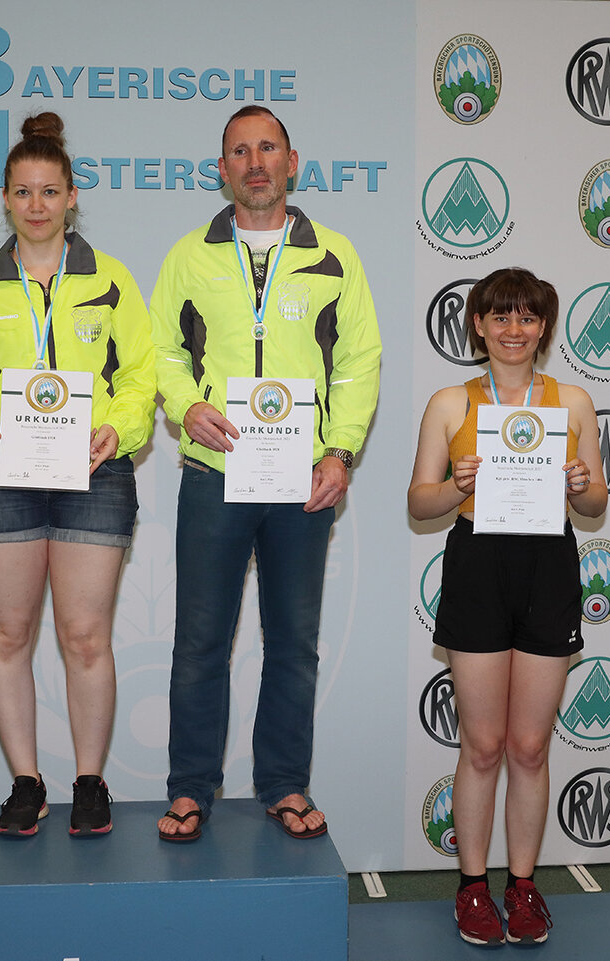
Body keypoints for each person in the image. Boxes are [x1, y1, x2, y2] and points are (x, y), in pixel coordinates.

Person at [150, 106, 382, 842]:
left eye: (268, 149)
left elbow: (358, 362)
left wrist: (340, 451)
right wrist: (186, 406)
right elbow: (162, 351)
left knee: (293, 642)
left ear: (292, 162)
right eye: (240, 152)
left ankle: (283, 783)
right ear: (222, 169)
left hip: (302, 479)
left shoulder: (335, 256)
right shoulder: (189, 255)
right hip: (214, 472)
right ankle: (191, 788)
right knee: (199, 642)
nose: (255, 163)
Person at [0, 112, 155, 838]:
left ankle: (90, 781)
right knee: (8, 635)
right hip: (3, 472)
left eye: (50, 191)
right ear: (5, 198)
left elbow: (140, 379)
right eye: (23, 192)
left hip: (95, 471)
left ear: (71, 196)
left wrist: (118, 430)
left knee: (85, 636)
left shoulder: (111, 279)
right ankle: (26, 781)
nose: (37, 205)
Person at [406, 267, 607, 945]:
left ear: (543, 327)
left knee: (529, 745)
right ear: (478, 325)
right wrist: (456, 484)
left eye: (526, 317)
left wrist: (580, 483)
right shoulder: (450, 402)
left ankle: (522, 888)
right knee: (484, 744)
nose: (513, 330)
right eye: (500, 317)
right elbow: (420, 501)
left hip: (548, 565)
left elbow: (596, 502)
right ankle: (472, 887)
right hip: (478, 564)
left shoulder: (572, 401)